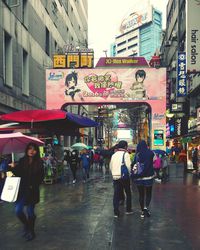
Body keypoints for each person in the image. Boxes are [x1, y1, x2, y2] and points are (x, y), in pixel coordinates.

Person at [9, 143, 44, 241]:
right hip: (22, 190)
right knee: (18, 211)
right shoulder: (22, 161)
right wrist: (12, 167)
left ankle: (31, 231)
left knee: (30, 212)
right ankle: (27, 225)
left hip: (32, 191)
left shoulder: (39, 162)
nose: (31, 151)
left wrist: (33, 184)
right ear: (27, 150)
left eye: (34, 149)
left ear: (37, 151)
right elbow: (17, 173)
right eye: (30, 149)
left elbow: (41, 177)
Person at [109, 140, 133, 218]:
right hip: (123, 177)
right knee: (128, 193)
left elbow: (110, 166)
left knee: (116, 194)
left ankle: (116, 212)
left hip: (115, 177)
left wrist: (114, 173)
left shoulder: (114, 155)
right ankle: (128, 210)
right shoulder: (125, 154)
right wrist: (129, 174)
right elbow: (129, 166)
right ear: (125, 146)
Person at [132, 140, 154, 218]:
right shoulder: (150, 153)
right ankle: (146, 208)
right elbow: (152, 163)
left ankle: (142, 211)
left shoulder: (137, 154)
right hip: (148, 177)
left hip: (139, 178)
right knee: (148, 193)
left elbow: (134, 164)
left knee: (141, 195)